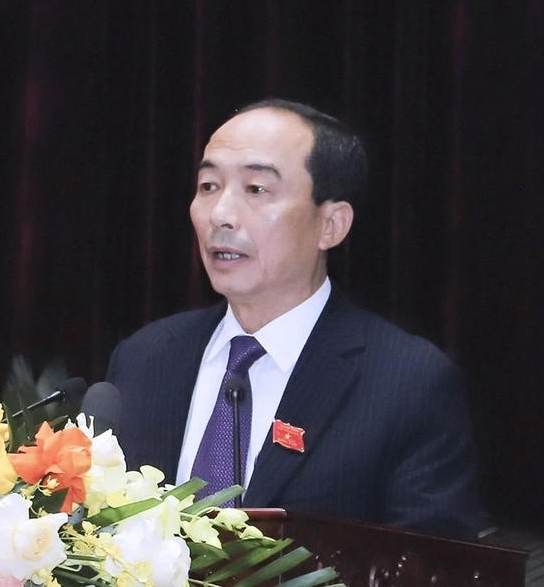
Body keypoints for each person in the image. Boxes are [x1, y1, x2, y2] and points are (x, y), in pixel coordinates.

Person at [106, 98, 482, 540]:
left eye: (256, 190)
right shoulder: (145, 358)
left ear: (331, 225)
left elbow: (431, 564)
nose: (220, 215)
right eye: (208, 186)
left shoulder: (407, 383)